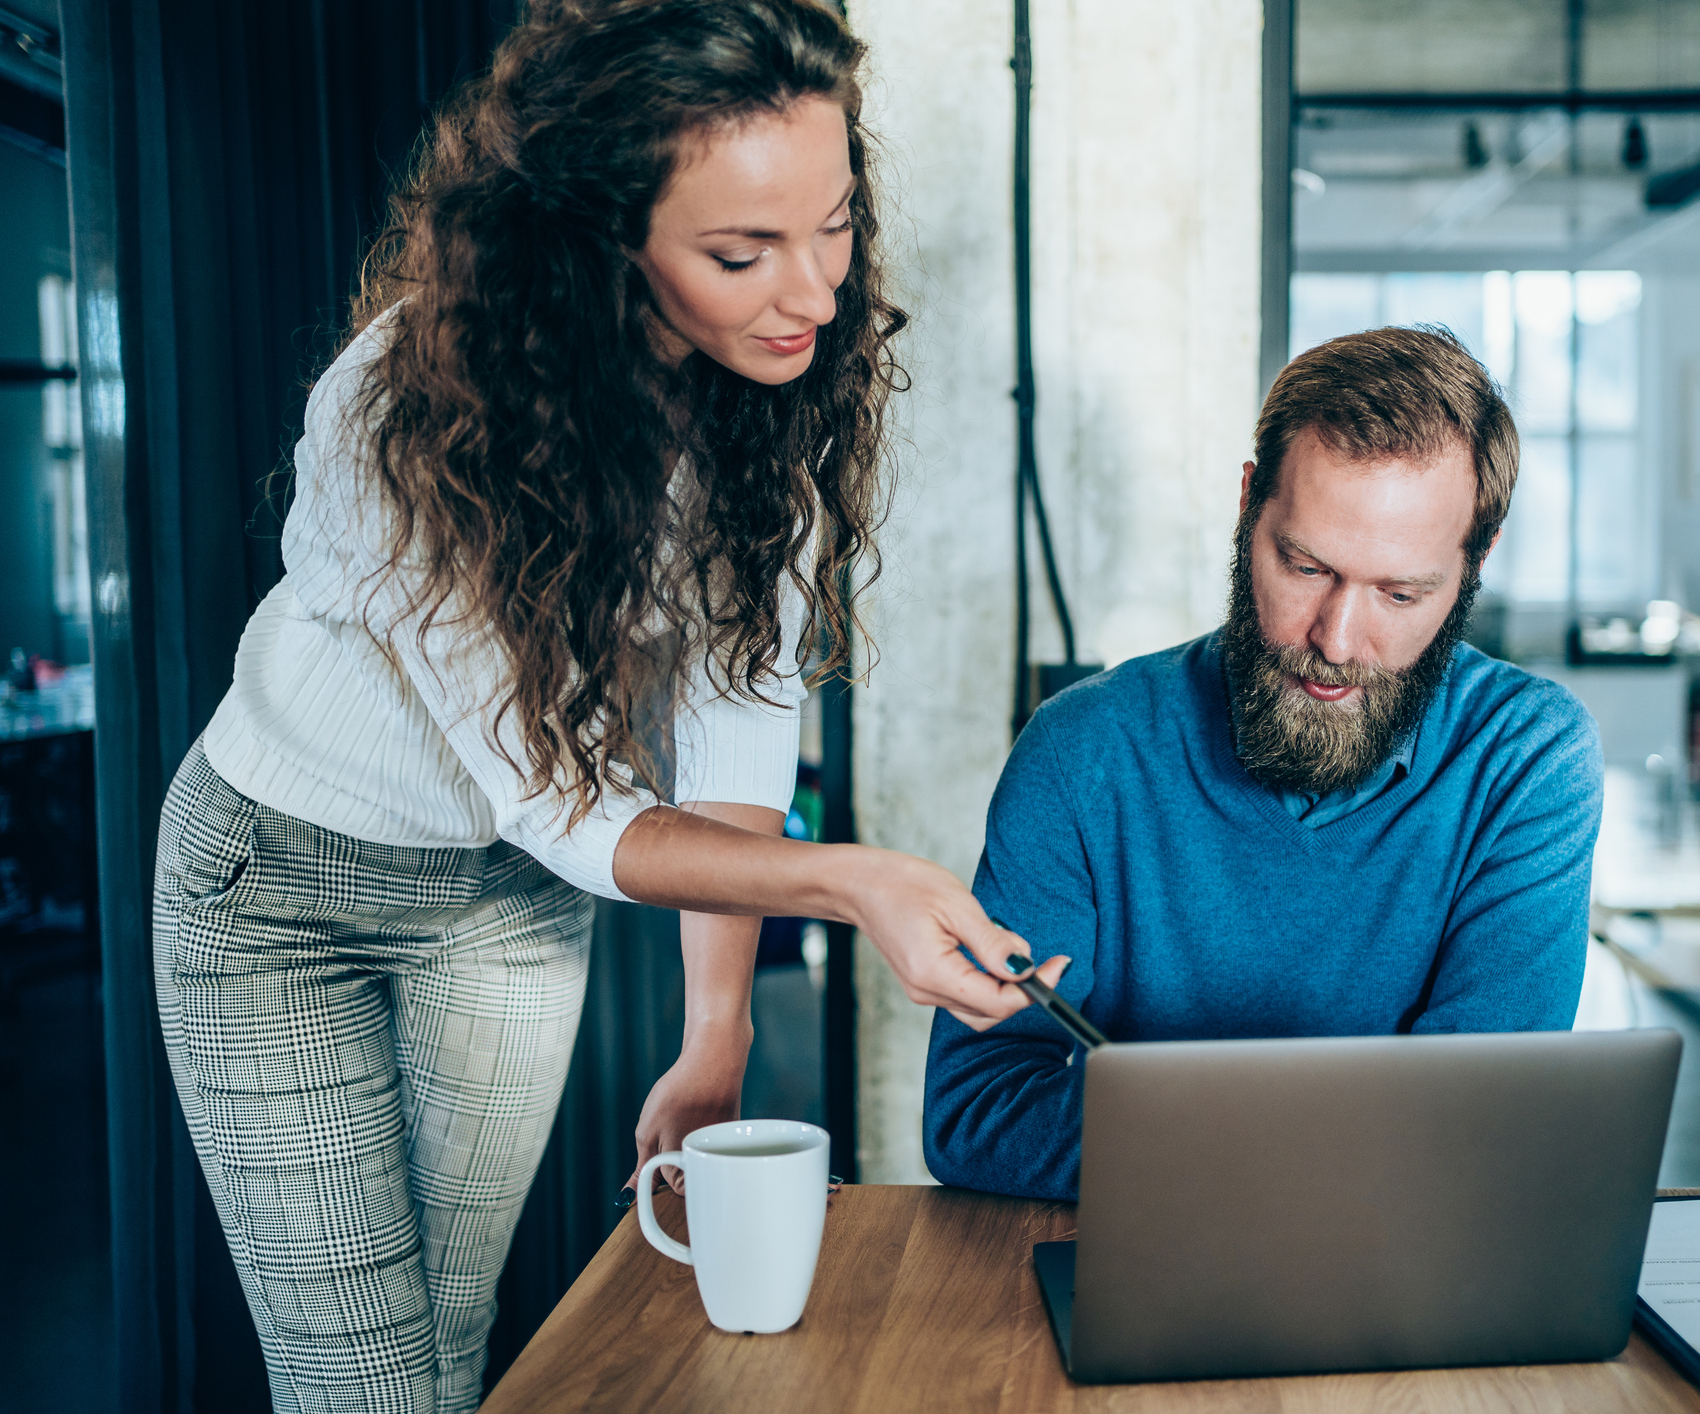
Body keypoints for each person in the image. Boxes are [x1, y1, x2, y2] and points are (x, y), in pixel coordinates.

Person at [152, 3, 1062, 1410]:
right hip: (279, 893)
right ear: (598, 240)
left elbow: (737, 723)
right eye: (740, 253)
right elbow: (562, 803)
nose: (814, 293)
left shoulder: (768, 410)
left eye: (832, 223)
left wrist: (719, 1037)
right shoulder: (409, 413)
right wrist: (854, 881)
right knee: (369, 1386)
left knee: (452, 1348)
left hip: (502, 907)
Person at [923, 326, 1603, 1202]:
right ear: (1249, 506)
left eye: (1401, 594)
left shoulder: (1529, 758)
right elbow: (979, 1110)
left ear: (1477, 559)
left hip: (1403, 1278)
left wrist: (1191, 1133)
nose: (1336, 639)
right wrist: (1344, 1141)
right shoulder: (1080, 752)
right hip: (1135, 1273)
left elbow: (1480, 1121)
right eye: (1305, 566)